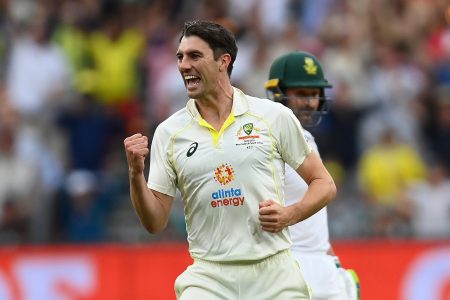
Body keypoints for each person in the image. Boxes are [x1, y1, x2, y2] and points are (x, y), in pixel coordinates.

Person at [124, 20, 336, 300]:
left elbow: (324, 183)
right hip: (209, 278)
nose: (184, 65)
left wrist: (290, 214)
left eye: (194, 56)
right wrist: (135, 174)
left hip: (274, 275)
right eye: (180, 57)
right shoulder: (169, 133)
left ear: (224, 61)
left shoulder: (272, 116)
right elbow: (155, 223)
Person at [265, 51, 360, 300]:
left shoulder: (306, 139)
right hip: (284, 269)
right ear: (277, 94)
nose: (309, 102)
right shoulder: (262, 141)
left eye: (314, 94)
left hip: (320, 270)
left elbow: (314, 220)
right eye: (301, 94)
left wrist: (330, 260)